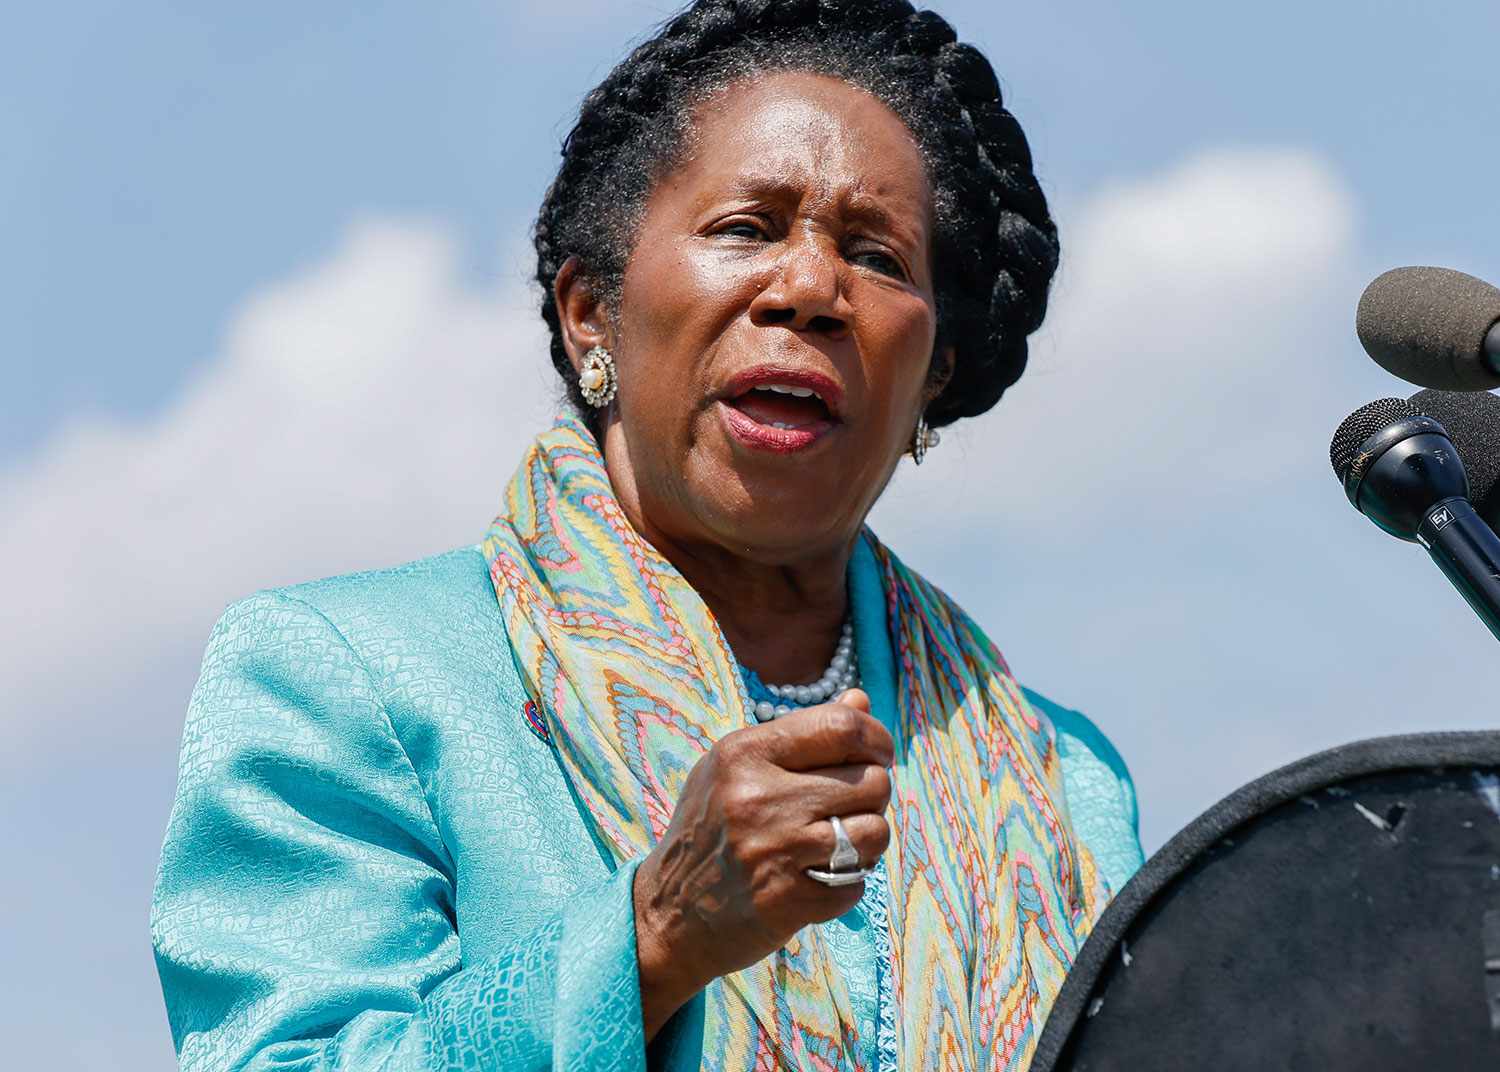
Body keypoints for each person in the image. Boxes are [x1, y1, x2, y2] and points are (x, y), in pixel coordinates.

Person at [148, 2, 1144, 1069]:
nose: (811, 289)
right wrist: (656, 932)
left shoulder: (1066, 780)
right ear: (592, 313)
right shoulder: (344, 679)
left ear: (932, 378)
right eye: (746, 228)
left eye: (877, 256)